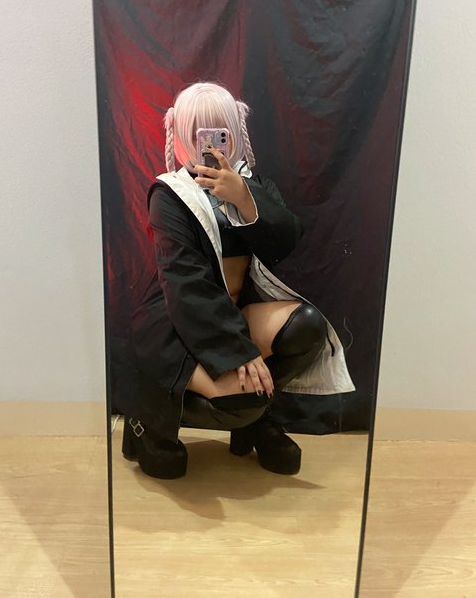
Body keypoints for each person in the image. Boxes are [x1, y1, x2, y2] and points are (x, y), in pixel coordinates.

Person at [120, 82, 355, 479]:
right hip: (175, 324)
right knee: (243, 401)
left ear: (234, 130)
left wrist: (244, 197)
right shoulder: (170, 195)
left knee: (307, 327)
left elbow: (286, 241)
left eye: (220, 132)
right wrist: (239, 351)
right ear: (182, 135)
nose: (211, 144)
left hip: (232, 313)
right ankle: (149, 424)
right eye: (201, 133)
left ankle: (257, 424)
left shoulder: (251, 185)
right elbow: (185, 283)